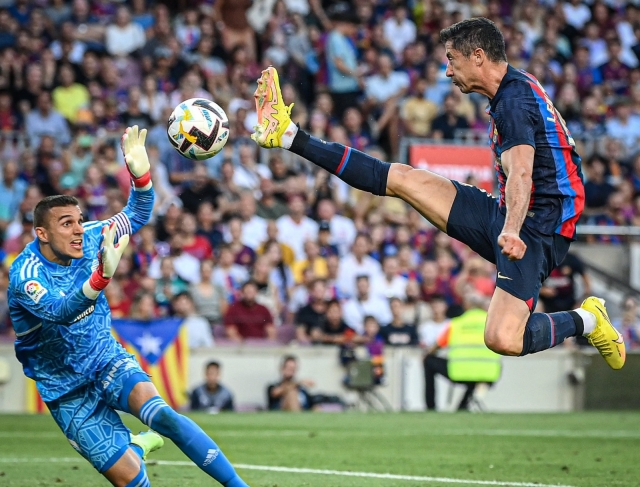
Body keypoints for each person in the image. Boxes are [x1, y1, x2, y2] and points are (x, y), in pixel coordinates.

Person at [250, 18, 625, 372]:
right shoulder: (513, 88)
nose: (447, 71)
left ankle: (588, 319)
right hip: (510, 214)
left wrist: (512, 229)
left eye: (451, 59)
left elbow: (522, 173)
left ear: (478, 56)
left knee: (503, 338)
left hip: (536, 230)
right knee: (401, 178)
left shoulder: (513, 101)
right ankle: (289, 135)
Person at [8, 126, 249, 487]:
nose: (78, 230)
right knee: (132, 480)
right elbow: (60, 311)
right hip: (64, 387)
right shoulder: (25, 275)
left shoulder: (92, 236)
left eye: (79, 220)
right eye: (66, 224)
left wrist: (141, 177)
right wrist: (100, 278)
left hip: (105, 358)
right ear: (42, 233)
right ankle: (137, 447)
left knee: (163, 416)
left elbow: (138, 212)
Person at [423, 293, 501, 411]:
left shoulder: (457, 323)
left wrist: (428, 353)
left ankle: (431, 407)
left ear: (466, 305)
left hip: (459, 372)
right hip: (488, 374)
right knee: (479, 375)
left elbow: (438, 345)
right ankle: (463, 406)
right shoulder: (492, 323)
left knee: (428, 361)